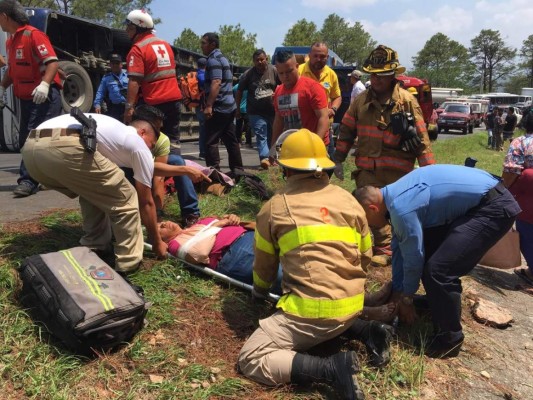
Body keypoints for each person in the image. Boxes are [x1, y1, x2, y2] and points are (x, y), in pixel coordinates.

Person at [239, 128, 378, 400]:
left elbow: (265, 268)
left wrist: (258, 294)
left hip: (312, 316)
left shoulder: (275, 207)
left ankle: (330, 369)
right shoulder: (348, 199)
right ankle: (365, 328)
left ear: (285, 168)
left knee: (251, 357)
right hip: (353, 305)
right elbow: (365, 257)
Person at [354, 165, 521, 358]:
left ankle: (449, 340)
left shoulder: (401, 208)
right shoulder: (395, 194)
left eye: (366, 221)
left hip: (493, 207)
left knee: (439, 271)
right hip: (481, 202)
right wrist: (399, 290)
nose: (369, 227)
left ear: (372, 208)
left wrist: (407, 298)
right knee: (433, 256)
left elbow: (413, 257)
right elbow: (400, 247)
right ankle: (439, 305)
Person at [21, 112, 210, 273]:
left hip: (32, 152)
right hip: (67, 146)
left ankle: (94, 246)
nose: (150, 150)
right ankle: (129, 264)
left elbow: (149, 166)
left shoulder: (114, 134)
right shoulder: (136, 141)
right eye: (151, 145)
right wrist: (157, 241)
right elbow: (146, 202)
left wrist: (184, 170)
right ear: (142, 132)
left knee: (95, 189)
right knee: (126, 197)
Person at [332, 45, 436, 267]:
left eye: (381, 75)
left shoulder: (407, 101)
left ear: (392, 76)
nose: (376, 80)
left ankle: (402, 250)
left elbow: (422, 142)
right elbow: (347, 131)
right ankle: (384, 248)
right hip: (368, 170)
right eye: (372, 75)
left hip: (398, 173)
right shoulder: (360, 102)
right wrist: (338, 159)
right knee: (367, 210)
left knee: (398, 213)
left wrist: (431, 175)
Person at [0, 0, 63, 198]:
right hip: (26, 98)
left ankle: (28, 181)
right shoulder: (10, 41)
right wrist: (2, 87)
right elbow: (13, 70)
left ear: (4, 16)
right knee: (27, 139)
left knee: (31, 139)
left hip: (43, 96)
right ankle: (48, 178)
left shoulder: (34, 35)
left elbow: (52, 63)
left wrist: (44, 85)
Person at [158, 214, 282, 294]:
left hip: (250, 236)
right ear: (160, 240)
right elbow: (199, 253)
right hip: (234, 253)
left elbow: (226, 219)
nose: (163, 223)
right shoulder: (174, 244)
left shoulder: (198, 223)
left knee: (294, 260)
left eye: (161, 221)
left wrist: (232, 218)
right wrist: (217, 225)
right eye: (158, 228)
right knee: (284, 276)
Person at [123, 9, 183, 155]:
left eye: (129, 28)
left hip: (154, 103)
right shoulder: (165, 44)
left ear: (137, 28)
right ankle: (176, 173)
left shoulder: (137, 49)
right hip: (174, 100)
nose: (126, 31)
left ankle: (153, 176)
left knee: (149, 144)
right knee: (173, 142)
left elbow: (134, 81)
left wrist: (129, 107)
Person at [132, 105, 201, 227]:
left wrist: (157, 213)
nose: (159, 133)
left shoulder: (162, 140)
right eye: (156, 128)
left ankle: (191, 213)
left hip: (151, 171)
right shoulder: (126, 138)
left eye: (160, 128)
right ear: (144, 128)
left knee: (178, 162)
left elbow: (159, 177)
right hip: (131, 172)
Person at [270, 50, 329, 152]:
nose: (285, 76)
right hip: (292, 147)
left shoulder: (312, 88)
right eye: (281, 73)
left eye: (289, 71)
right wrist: (273, 148)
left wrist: (316, 146)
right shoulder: (279, 91)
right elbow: (278, 120)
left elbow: (323, 117)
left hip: (313, 147)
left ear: (297, 66)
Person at [200, 32, 243, 172]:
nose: (201, 46)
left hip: (219, 107)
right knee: (231, 141)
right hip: (229, 107)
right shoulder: (223, 58)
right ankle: (238, 171)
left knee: (210, 142)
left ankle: (214, 175)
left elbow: (216, 82)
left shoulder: (213, 60)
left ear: (213, 44)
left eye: (203, 43)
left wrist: (209, 105)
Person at [502, 111, 533, 286]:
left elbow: (511, 170)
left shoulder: (521, 142)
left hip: (528, 203)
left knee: (528, 235)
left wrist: (503, 190)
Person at [235, 49, 280, 169]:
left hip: (272, 111)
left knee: (272, 136)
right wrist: (238, 108)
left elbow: (283, 85)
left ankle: (272, 158)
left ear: (266, 59)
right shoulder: (248, 74)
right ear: (253, 62)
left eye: (262, 59)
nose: (260, 62)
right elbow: (239, 91)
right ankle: (264, 158)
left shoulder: (274, 71)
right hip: (255, 111)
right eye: (257, 60)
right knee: (261, 133)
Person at [298, 42, 342, 156]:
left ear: (327, 57)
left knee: (328, 162)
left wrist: (333, 109)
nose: (318, 59)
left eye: (322, 56)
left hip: (325, 126)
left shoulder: (331, 74)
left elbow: (337, 96)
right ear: (309, 55)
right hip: (303, 128)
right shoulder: (299, 72)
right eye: (315, 56)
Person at [93, 53, 128, 121]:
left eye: (117, 63)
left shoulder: (128, 75)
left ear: (121, 64)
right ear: (110, 65)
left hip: (128, 107)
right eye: (113, 63)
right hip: (115, 108)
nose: (115, 65)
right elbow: (100, 92)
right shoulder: (106, 78)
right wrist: (97, 104)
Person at [196, 57, 207, 159]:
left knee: (203, 128)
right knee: (205, 129)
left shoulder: (195, 74)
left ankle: (203, 152)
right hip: (203, 105)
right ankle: (203, 152)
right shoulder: (203, 75)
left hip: (198, 105)